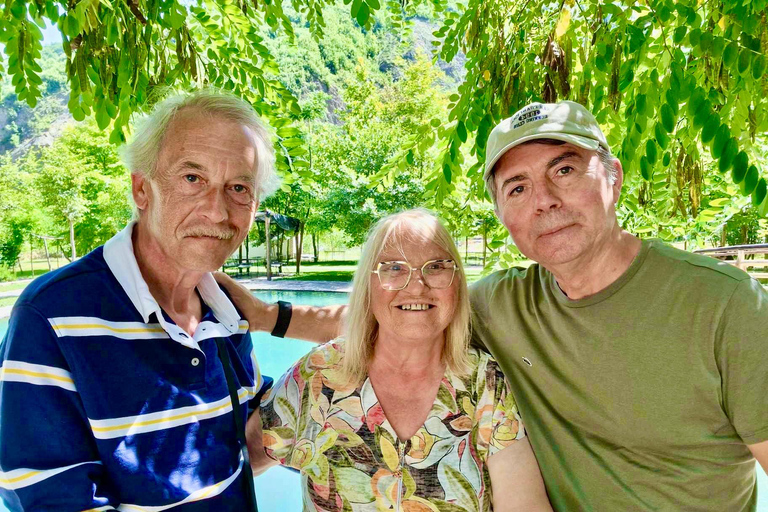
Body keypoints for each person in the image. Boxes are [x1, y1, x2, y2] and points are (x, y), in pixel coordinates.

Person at [218, 101, 768, 511]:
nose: (545, 200)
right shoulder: (506, 302)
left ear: (614, 176)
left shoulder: (723, 305)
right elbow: (402, 319)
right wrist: (271, 318)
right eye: (518, 187)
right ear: (504, 212)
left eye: (565, 169)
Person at [0, 90, 277, 511]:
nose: (218, 212)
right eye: (193, 179)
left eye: (238, 187)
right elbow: (51, 500)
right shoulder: (53, 315)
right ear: (142, 189)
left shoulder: (228, 313)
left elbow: (249, 441)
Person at [246, 209, 552, 511]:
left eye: (435, 267)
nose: (416, 286)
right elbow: (238, 465)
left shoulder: (484, 382)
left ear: (457, 283)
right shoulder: (319, 373)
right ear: (369, 286)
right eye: (393, 268)